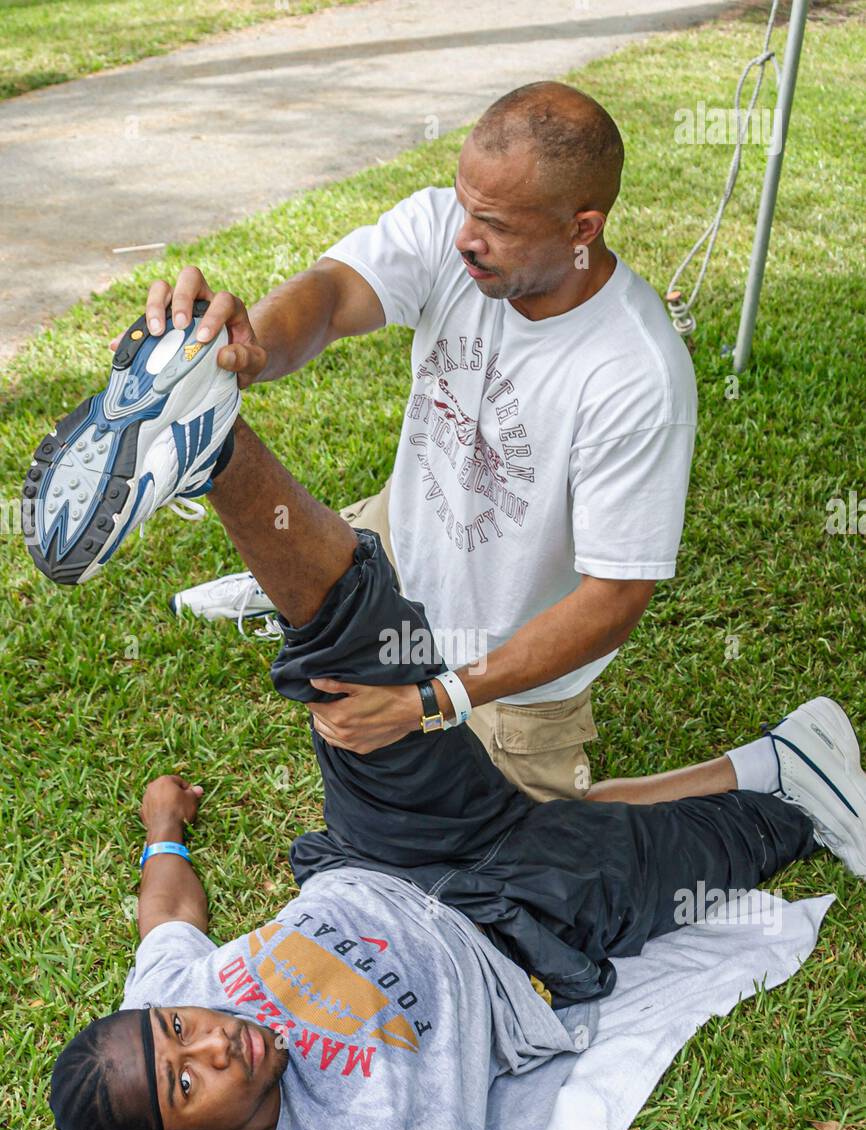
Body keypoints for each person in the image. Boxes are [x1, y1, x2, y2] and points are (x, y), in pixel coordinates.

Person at [32, 335, 866, 1130]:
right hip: (515, 921)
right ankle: (775, 772)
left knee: (349, 653)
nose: (214, 1039)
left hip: (385, 849)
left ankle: (209, 439)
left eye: (181, 1026)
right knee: (756, 829)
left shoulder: (168, 1008)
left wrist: (161, 828)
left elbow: (168, 923)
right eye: (190, 1082)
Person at [149, 80, 698, 803]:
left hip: (512, 684)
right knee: (348, 550)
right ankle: (304, 574)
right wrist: (255, 348)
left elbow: (614, 598)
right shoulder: (452, 233)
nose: (466, 235)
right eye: (466, 204)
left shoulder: (636, 374)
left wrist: (432, 701)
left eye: (496, 222)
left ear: (581, 228)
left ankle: (770, 772)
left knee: (517, 868)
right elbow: (334, 294)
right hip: (407, 540)